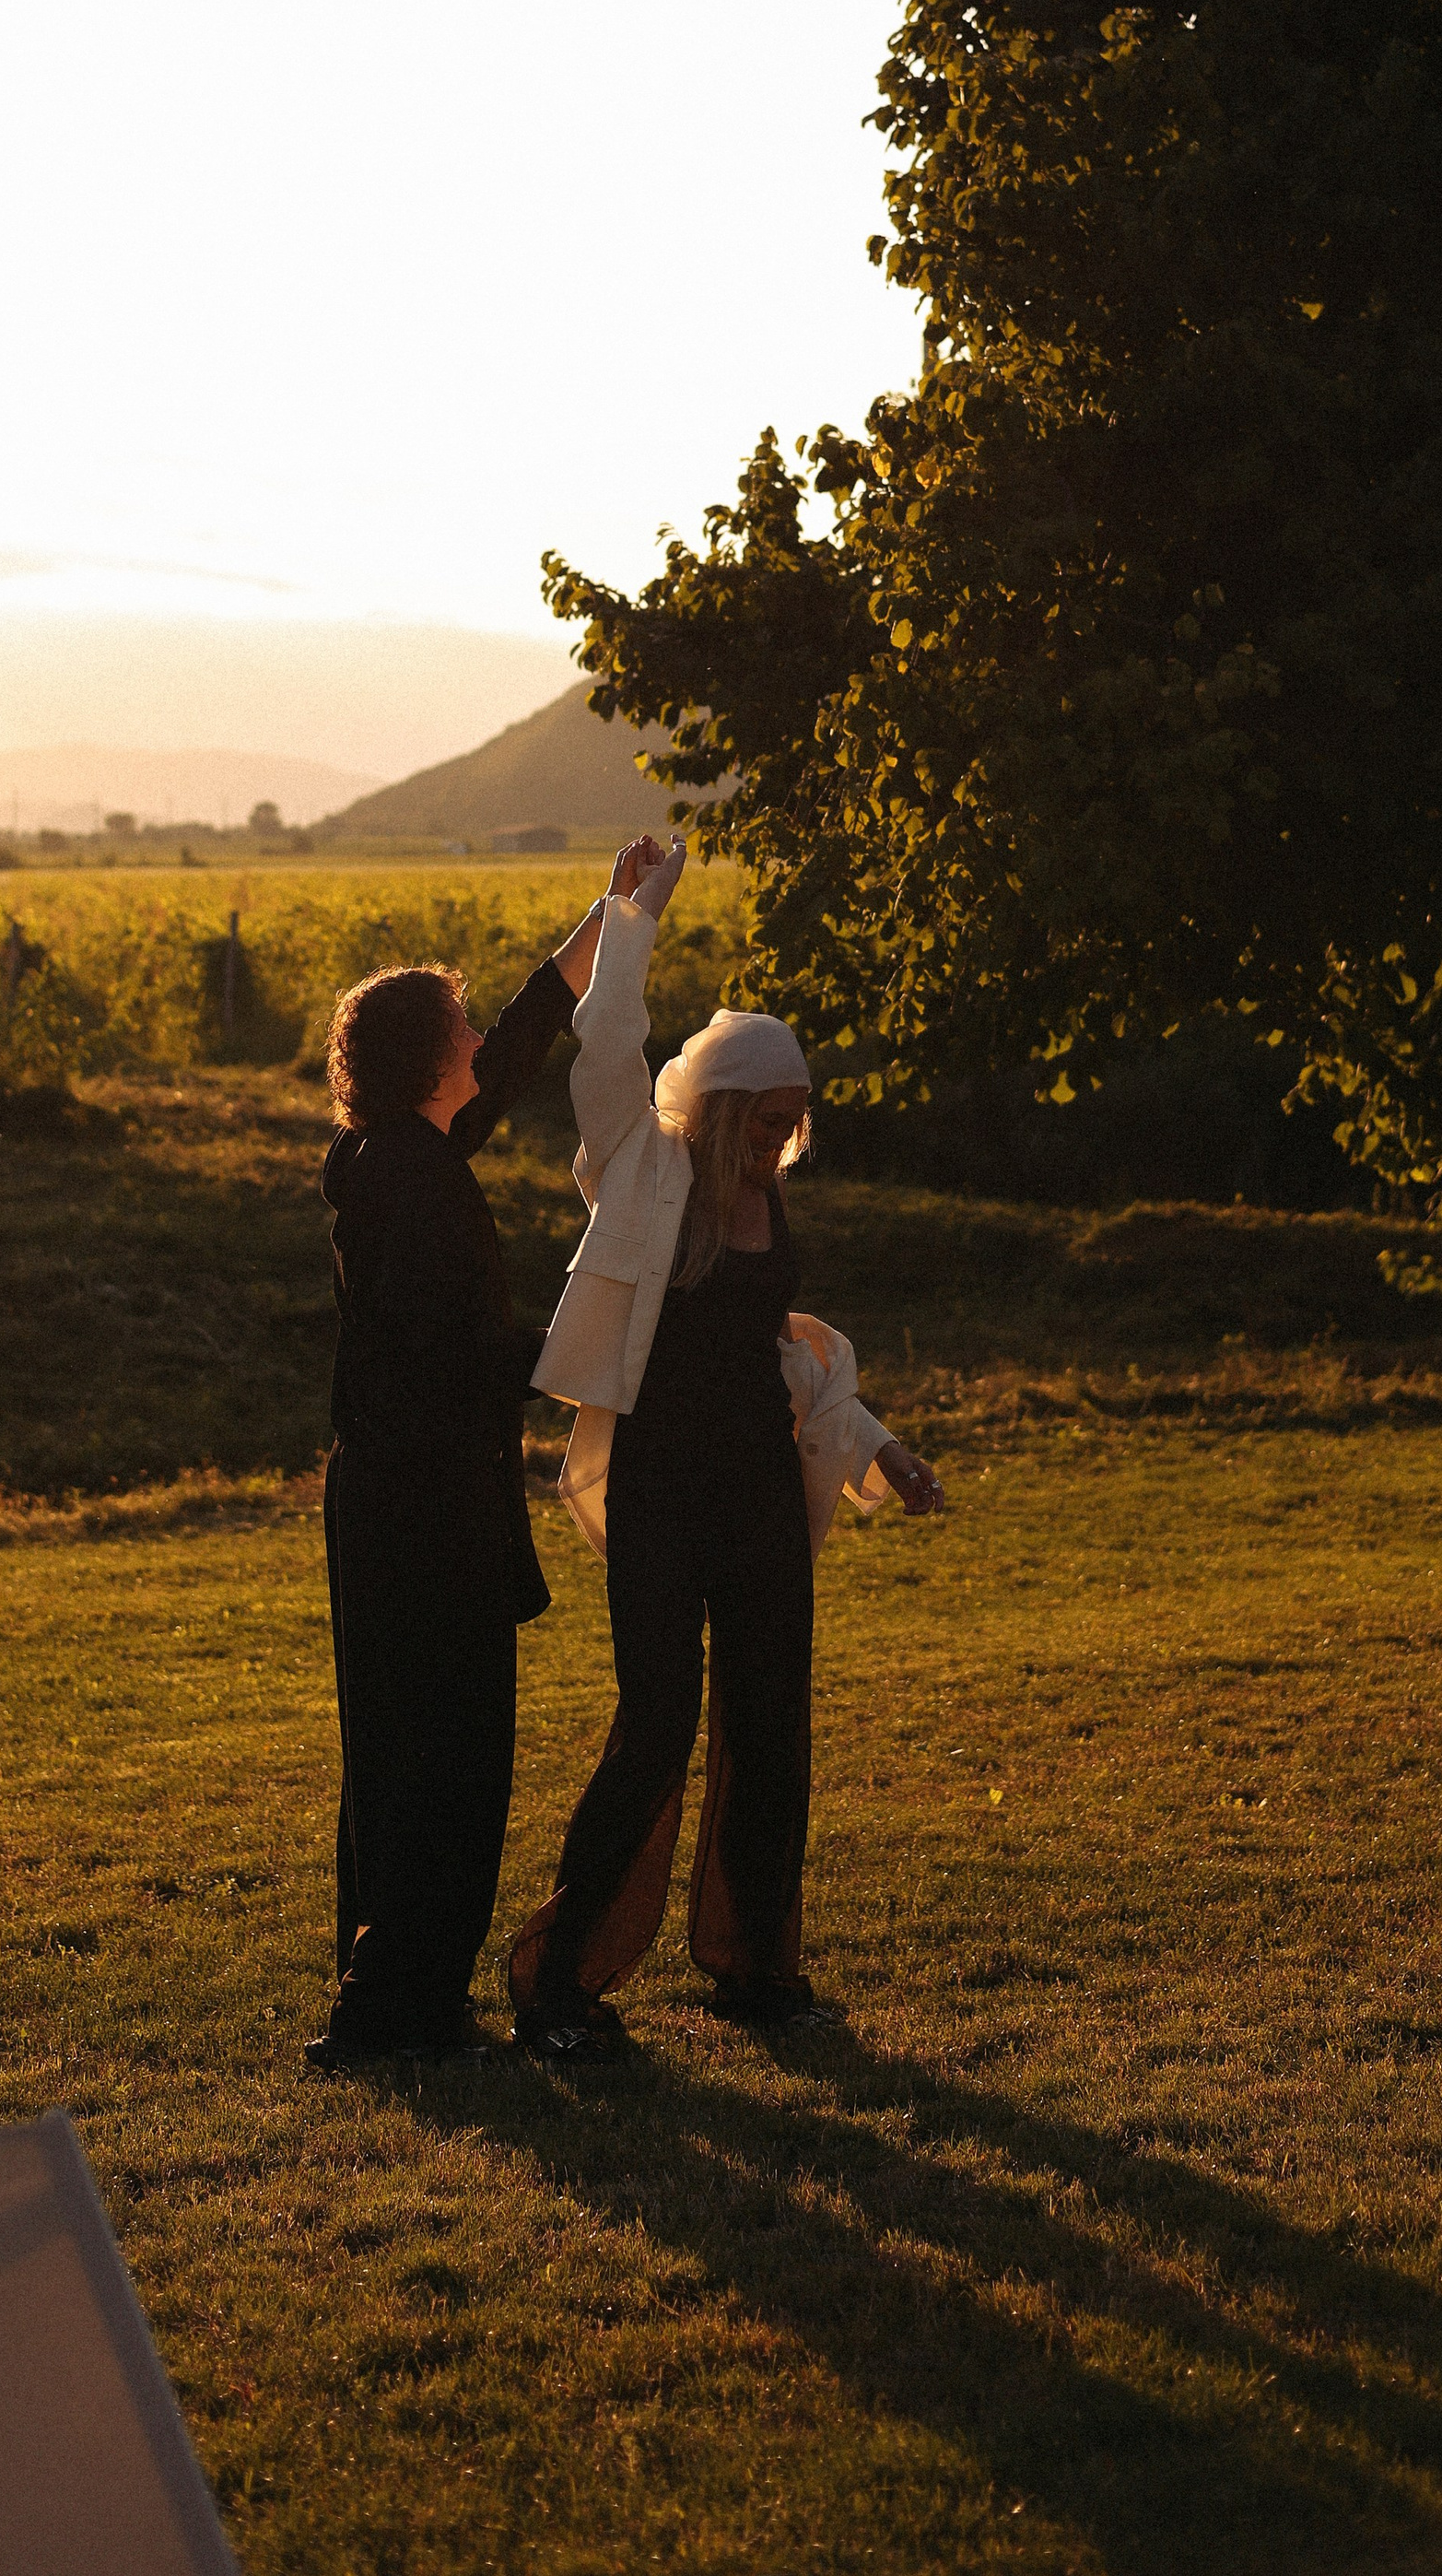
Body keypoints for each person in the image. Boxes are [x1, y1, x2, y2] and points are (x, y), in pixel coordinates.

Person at [508, 833, 944, 2057]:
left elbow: (787, 1363)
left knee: (771, 1719)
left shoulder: (774, 1196)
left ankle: (757, 1970)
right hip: (657, 1485)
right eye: (769, 1118)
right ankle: (559, 1984)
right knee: (656, 1716)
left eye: (796, 1121)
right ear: (725, 1107)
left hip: (757, 1489)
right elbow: (606, 1051)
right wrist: (632, 913)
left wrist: (882, 1448)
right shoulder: (640, 1173)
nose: (785, 1139)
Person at [305, 854, 640, 2070]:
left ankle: (397, 1992)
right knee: (444, 1755)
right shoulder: (414, 1181)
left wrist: (610, 921)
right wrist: (597, 1344)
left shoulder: (396, 1153)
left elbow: (514, 1047)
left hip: (393, 1494)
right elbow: (450, 1347)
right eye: (452, 1024)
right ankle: (389, 2007)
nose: (470, 1035)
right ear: (418, 1060)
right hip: (424, 1503)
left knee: (401, 1748)